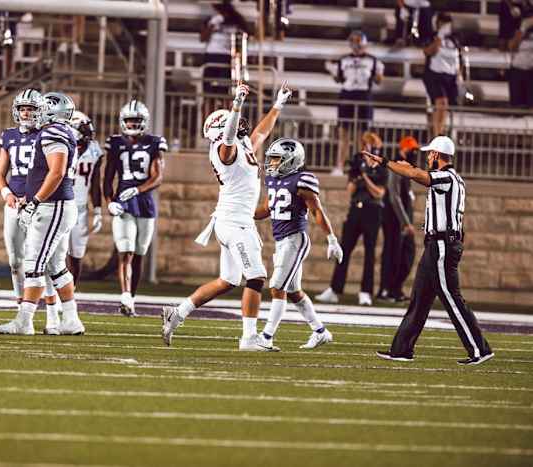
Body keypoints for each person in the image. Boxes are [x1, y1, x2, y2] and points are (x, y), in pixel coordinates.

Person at [161, 81, 293, 351]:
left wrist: (278, 105)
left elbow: (260, 133)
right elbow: (231, 136)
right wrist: (236, 104)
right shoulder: (225, 150)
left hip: (232, 221)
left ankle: (178, 313)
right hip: (234, 224)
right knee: (256, 276)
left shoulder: (243, 147)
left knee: (228, 281)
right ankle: (248, 338)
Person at [364, 136, 494, 366]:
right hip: (436, 244)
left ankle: (479, 349)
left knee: (451, 298)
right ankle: (401, 349)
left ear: (435, 155)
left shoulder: (446, 177)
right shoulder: (454, 179)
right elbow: (411, 169)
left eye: (429, 153)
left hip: (442, 245)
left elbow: (415, 174)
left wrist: (385, 162)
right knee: (419, 299)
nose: (426, 157)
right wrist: (395, 163)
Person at [0, 92, 85, 336]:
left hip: (52, 206)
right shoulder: (59, 131)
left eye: (42, 108)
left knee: (33, 264)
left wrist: (35, 201)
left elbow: (56, 173)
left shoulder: (53, 132)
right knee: (56, 266)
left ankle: (24, 321)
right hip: (57, 206)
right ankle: (72, 319)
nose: (36, 112)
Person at [254, 137, 343, 350]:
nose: (272, 163)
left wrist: (331, 239)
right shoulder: (273, 180)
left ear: (291, 160)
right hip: (281, 241)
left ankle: (266, 337)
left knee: (276, 286)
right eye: (272, 159)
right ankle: (320, 331)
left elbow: (316, 210)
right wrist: (240, 214)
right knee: (293, 291)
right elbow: (266, 209)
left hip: (295, 239)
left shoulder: (303, 181)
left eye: (276, 159)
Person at [103, 100, 167, 318]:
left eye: (136, 120)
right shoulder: (115, 143)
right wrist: (109, 200)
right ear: (122, 121)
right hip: (123, 202)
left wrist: (138, 190)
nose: (132, 124)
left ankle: (132, 299)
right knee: (126, 251)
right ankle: (125, 296)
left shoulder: (154, 142)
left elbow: (157, 177)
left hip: (145, 203)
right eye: (129, 120)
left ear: (144, 122)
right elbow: (108, 175)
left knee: (139, 254)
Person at [316, 132, 387, 306]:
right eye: (364, 145)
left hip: (373, 211)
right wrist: (358, 175)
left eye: (369, 145)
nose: (366, 148)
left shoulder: (381, 166)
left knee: (369, 253)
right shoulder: (358, 164)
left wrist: (365, 178)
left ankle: (365, 292)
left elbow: (379, 193)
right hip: (356, 209)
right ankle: (334, 289)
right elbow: (350, 190)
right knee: (344, 249)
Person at [330, 31, 384, 176]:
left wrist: (378, 76)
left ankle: (364, 166)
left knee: (364, 134)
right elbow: (339, 79)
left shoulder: (372, 60)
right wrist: (332, 72)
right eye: (354, 41)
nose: (357, 44)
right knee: (343, 133)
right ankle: (340, 165)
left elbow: (379, 80)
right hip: (347, 93)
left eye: (359, 41)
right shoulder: (344, 60)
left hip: (364, 94)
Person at [377, 136, 418, 303]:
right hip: (394, 219)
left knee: (406, 254)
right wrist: (405, 222)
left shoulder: (406, 167)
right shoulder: (396, 166)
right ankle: (386, 290)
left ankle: (395, 288)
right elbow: (394, 196)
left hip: (402, 219)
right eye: (411, 150)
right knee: (392, 254)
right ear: (403, 150)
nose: (414, 153)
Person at [67, 111, 104, 287]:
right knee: (57, 254)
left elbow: (95, 182)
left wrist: (97, 210)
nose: (88, 131)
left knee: (76, 254)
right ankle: (54, 296)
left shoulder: (94, 150)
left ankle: (70, 293)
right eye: (83, 128)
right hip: (60, 205)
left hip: (80, 209)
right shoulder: (60, 147)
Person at [201, 1, 251, 98]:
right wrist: (212, 25)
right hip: (211, 55)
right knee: (208, 89)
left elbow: (246, 36)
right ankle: (208, 109)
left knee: (223, 89)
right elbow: (203, 38)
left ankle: (222, 110)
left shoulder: (237, 20)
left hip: (227, 57)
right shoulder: (211, 20)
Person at [422, 13, 461, 137]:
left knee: (445, 105)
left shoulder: (454, 39)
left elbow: (458, 58)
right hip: (435, 74)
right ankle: (438, 133)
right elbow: (428, 51)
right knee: (441, 101)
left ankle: (441, 129)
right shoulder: (432, 37)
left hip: (450, 75)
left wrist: (460, 74)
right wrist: (439, 37)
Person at [508, 8, 533, 107]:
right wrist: (523, 28)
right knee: (516, 105)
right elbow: (512, 47)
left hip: (531, 71)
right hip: (517, 70)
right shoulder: (519, 31)